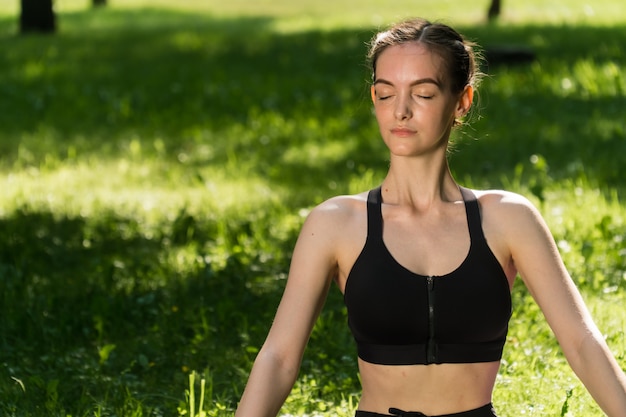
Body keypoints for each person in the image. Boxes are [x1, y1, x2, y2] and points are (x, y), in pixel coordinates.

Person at [234, 17, 626, 417]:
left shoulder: (509, 219)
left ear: (462, 102)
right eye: (386, 95)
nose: (400, 111)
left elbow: (582, 341)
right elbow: (279, 358)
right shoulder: (335, 223)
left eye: (422, 94)